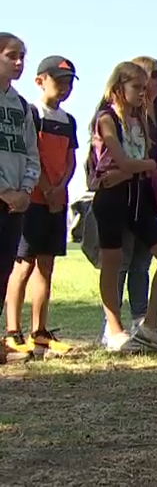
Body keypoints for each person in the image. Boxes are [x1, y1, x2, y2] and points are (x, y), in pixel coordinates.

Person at [89, 61, 157, 353]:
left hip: (138, 198)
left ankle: (150, 325)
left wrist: (133, 169)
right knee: (113, 263)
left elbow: (129, 166)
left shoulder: (140, 121)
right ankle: (114, 329)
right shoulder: (106, 119)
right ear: (118, 88)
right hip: (112, 199)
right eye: (137, 88)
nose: (143, 94)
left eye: (145, 88)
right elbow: (129, 161)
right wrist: (146, 165)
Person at [4, 56, 78, 359]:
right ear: (41, 81)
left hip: (57, 202)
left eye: (69, 81)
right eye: (58, 80)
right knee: (23, 265)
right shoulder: (30, 113)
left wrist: (60, 188)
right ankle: (12, 331)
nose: (64, 87)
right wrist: (44, 187)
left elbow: (71, 159)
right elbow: (30, 154)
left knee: (47, 265)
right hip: (32, 200)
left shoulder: (68, 120)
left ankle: (40, 330)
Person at [0, 33, 40, 364]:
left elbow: (31, 153)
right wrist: (4, 191)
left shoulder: (22, 106)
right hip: (3, 195)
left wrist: (25, 191)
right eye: (11, 55)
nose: (19, 62)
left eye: (22, 56)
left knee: (3, 271)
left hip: (16, 203)